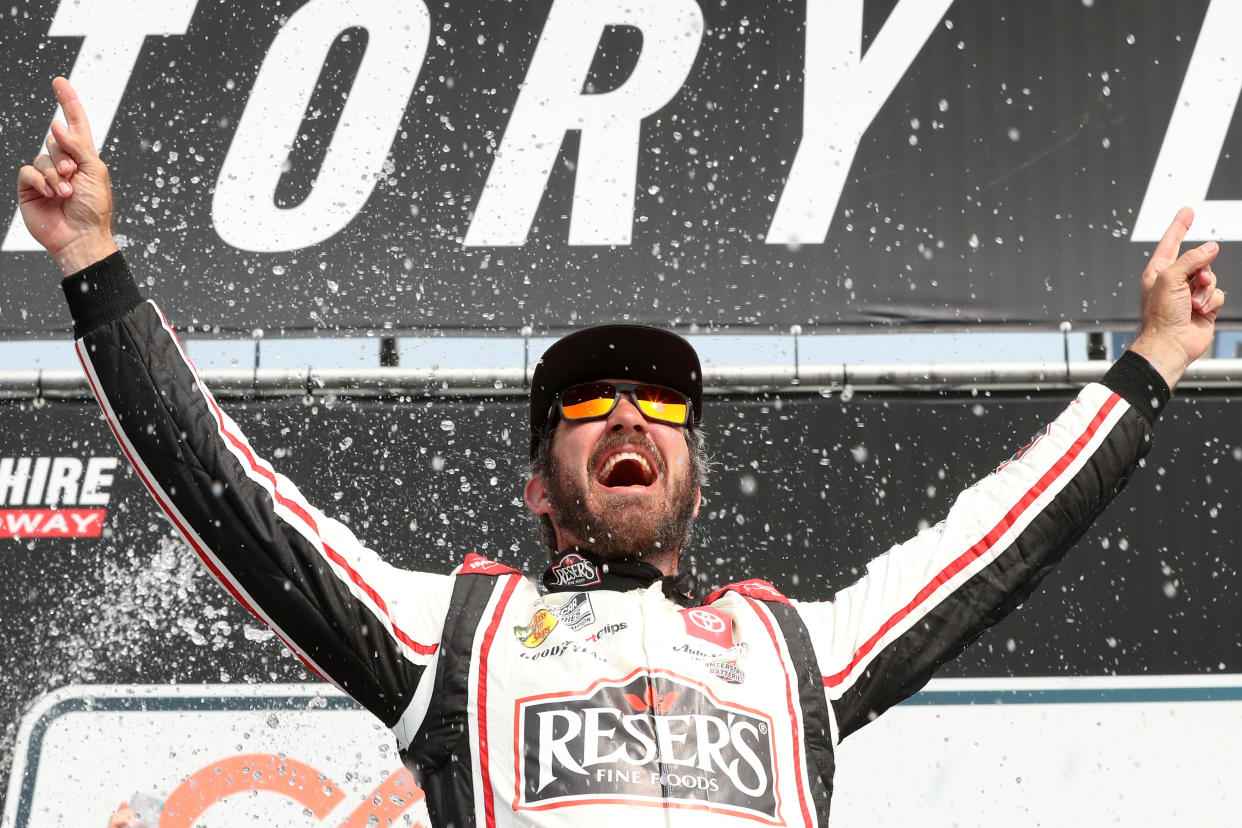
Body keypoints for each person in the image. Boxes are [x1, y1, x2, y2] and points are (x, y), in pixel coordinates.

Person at [17, 76, 1225, 827]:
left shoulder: (786, 651)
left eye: (658, 405)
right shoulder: (464, 636)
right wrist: (93, 266)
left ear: (695, 479)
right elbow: (235, 497)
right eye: (589, 405)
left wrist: (1154, 359)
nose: (631, 417)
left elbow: (999, 540)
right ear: (541, 486)